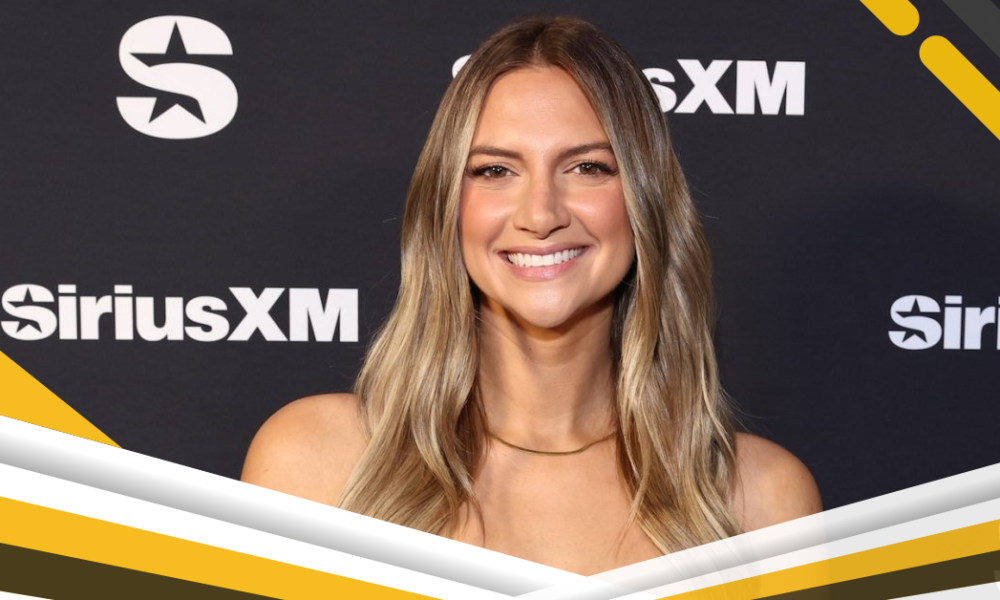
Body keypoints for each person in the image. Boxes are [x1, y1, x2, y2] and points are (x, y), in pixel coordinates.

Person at [242, 15, 821, 575]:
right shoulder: (314, 464)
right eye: (495, 171)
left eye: (588, 167)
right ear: (446, 206)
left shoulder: (759, 502)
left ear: (646, 200)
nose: (541, 215)